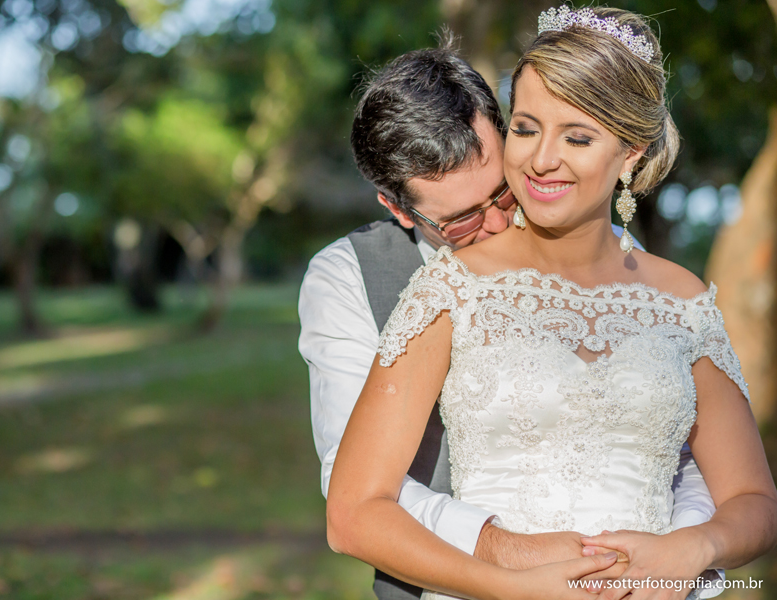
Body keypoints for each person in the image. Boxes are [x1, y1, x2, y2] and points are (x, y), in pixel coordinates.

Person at [324, 6, 777, 600]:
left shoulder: (683, 302)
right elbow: (353, 513)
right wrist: (507, 586)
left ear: (632, 153)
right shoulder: (449, 290)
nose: (541, 159)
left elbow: (753, 501)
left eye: (578, 137)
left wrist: (696, 548)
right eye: (526, 128)